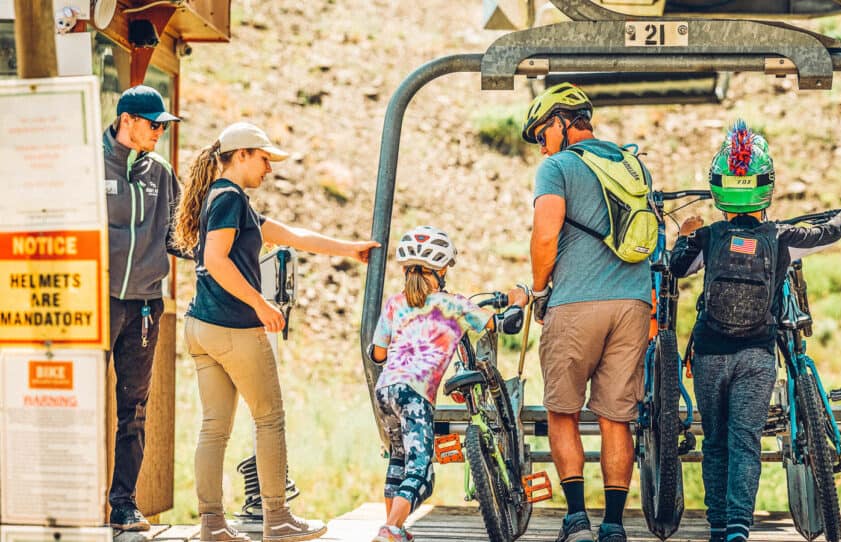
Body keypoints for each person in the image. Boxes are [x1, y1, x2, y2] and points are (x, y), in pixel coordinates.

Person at [172, 122, 379, 542]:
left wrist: (349, 248)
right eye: (264, 159)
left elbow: (291, 236)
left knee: (214, 428)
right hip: (233, 328)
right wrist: (260, 303)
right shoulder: (230, 198)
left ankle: (212, 525)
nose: (269, 169)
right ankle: (278, 519)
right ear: (242, 154)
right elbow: (215, 260)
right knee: (270, 419)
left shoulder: (222, 198)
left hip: (201, 327)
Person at [669, 120, 841, 542]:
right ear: (766, 186)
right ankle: (739, 526)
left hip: (708, 353)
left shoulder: (710, 236)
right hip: (757, 355)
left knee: (716, 441)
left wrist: (684, 235)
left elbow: (676, 269)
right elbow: (828, 232)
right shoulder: (780, 237)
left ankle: (718, 525)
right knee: (745, 442)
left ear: (718, 187)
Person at [510, 82, 653, 542]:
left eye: (540, 133)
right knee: (616, 417)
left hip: (576, 303)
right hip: (633, 302)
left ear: (560, 122)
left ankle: (576, 519)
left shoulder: (558, 167)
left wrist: (536, 289)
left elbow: (546, 234)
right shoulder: (633, 165)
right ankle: (612, 524)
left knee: (563, 410)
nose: (540, 145)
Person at [369, 226, 526, 542]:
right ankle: (391, 529)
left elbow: (377, 353)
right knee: (420, 471)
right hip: (414, 395)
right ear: (440, 270)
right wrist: (518, 301)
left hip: (385, 391)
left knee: (399, 460)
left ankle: (394, 528)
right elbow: (500, 324)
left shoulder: (394, 303)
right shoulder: (454, 305)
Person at [102, 84, 183, 531]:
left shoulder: (162, 172)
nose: (160, 133)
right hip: (94, 301)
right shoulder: (89, 162)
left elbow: (179, 235)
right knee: (77, 401)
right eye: (154, 125)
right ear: (127, 121)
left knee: (133, 408)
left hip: (146, 307)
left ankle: (124, 504)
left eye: (163, 127)